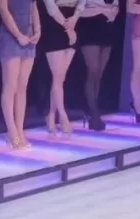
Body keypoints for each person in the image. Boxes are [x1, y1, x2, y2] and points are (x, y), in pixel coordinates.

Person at [0, 0, 40, 149]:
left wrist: (38, 29)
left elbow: (33, 6)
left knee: (22, 87)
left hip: (29, 36)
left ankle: (20, 130)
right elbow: (3, 10)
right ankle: (12, 131)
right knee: (10, 86)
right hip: (10, 36)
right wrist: (18, 35)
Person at [40, 0, 84, 137]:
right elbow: (50, 6)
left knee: (60, 79)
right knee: (58, 76)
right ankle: (63, 115)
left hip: (73, 21)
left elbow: (82, 3)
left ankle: (51, 114)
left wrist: (75, 17)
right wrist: (68, 28)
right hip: (56, 23)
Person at [78, 0, 119, 131]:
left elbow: (116, 6)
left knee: (99, 75)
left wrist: (113, 12)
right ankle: (94, 113)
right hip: (90, 29)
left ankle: (92, 110)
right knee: (93, 70)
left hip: (107, 30)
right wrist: (102, 10)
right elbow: (79, 11)